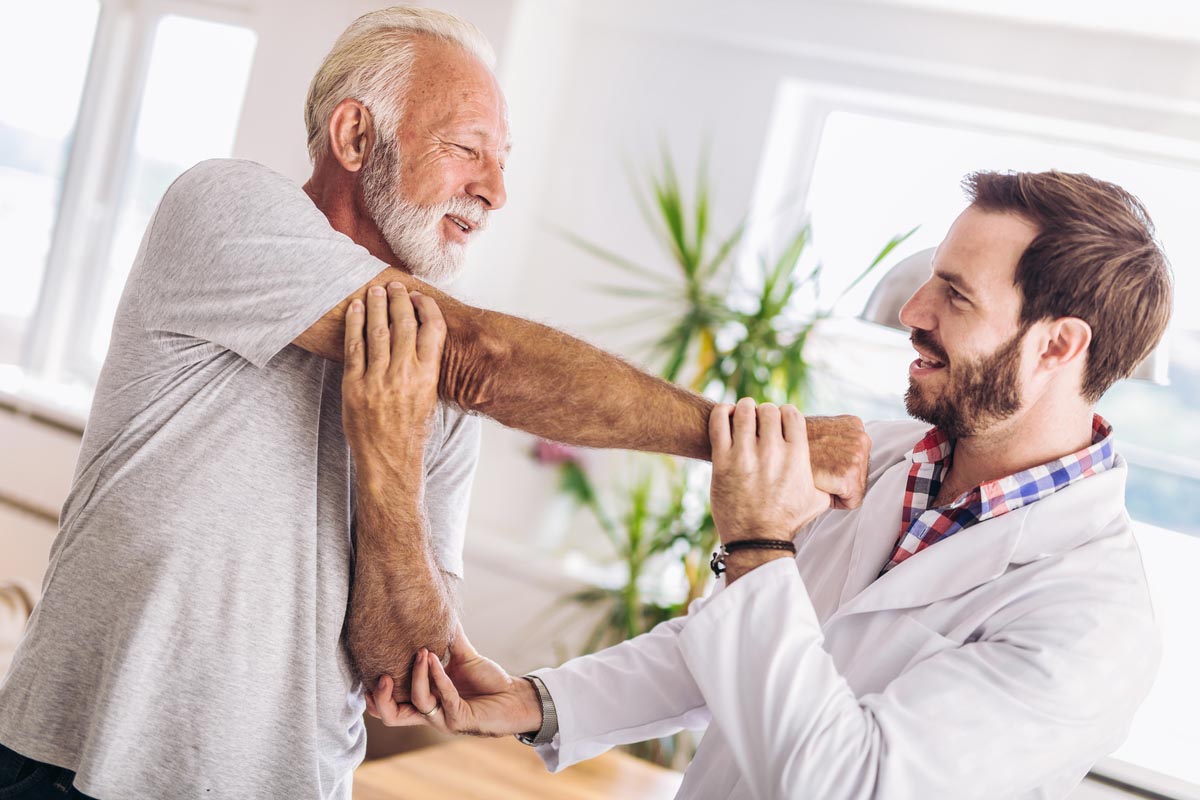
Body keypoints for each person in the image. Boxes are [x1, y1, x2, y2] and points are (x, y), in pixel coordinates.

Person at [0, 7, 871, 800]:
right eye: (467, 148)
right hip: (71, 762)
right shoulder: (225, 207)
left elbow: (402, 668)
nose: (495, 190)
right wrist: (748, 444)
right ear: (353, 134)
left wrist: (387, 467)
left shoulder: (441, 392)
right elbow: (485, 355)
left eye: (502, 160)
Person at [369, 170, 1173, 800]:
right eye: (933, 279)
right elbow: (724, 646)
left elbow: (846, 783)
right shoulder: (892, 460)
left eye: (956, 295)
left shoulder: (1092, 622)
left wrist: (756, 544)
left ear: (1058, 345)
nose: (914, 310)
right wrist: (537, 702)